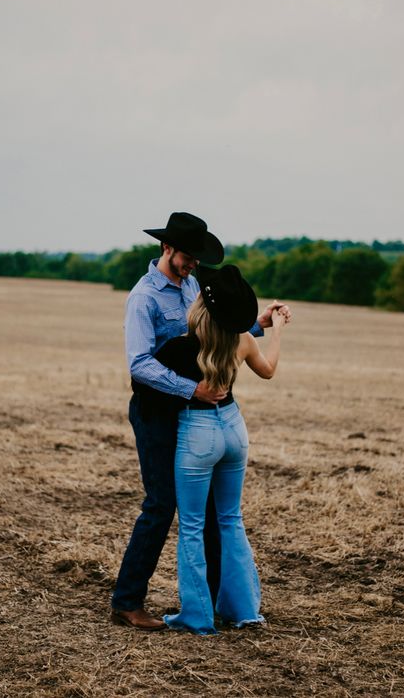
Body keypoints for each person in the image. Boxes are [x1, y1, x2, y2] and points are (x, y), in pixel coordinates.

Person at [111, 212, 290, 630]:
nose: (192, 265)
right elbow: (139, 364)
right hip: (158, 412)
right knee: (161, 505)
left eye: (196, 259)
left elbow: (210, 329)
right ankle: (127, 601)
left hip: (198, 416)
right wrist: (192, 390)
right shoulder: (144, 298)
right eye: (187, 257)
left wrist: (257, 324)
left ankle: (208, 602)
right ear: (166, 249)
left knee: (209, 508)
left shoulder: (192, 284)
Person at [156, 264, 288, 634]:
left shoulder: (181, 346)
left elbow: (148, 379)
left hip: (197, 433)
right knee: (230, 519)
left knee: (193, 526)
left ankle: (197, 616)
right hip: (234, 429)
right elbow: (268, 370)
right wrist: (274, 330)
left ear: (202, 304)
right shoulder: (243, 338)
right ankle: (244, 609)